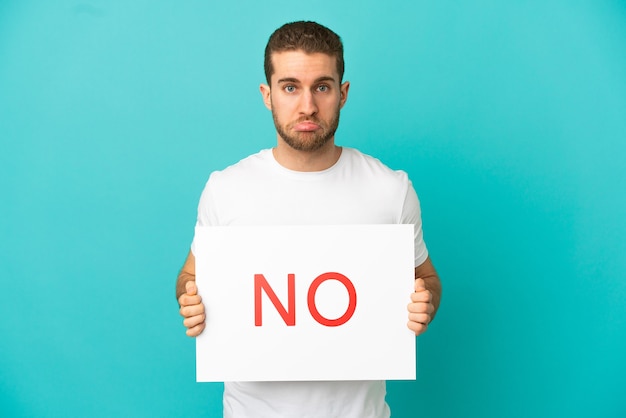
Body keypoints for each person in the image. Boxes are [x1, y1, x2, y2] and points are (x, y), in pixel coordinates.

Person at [176, 20, 442, 418]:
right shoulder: (225, 189)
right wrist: (191, 300)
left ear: (343, 93)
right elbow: (189, 277)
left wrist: (424, 304)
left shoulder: (390, 189)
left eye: (322, 86)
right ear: (267, 95)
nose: (307, 106)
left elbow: (428, 280)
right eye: (290, 87)